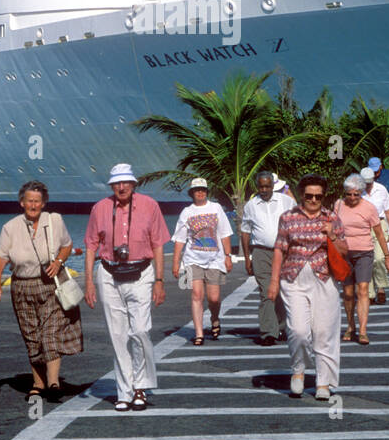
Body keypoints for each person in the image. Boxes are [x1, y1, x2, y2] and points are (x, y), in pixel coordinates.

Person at [84, 163, 169, 412]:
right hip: (109, 273)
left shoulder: (150, 206)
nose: (121, 187)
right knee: (118, 335)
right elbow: (90, 245)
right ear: (112, 186)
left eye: (126, 182)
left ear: (133, 184)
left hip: (141, 272)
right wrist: (89, 281)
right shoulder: (100, 208)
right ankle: (125, 390)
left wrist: (160, 281)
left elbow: (158, 245)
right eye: (117, 183)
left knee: (140, 331)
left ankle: (141, 385)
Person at [0, 180, 83, 403]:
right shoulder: (10, 227)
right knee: (31, 336)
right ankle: (38, 383)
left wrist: (59, 261)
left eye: (37, 201)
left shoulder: (54, 221)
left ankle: (53, 383)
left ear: (43, 203)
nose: (33, 205)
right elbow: (1, 256)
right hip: (21, 285)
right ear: (22, 202)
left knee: (50, 333)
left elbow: (67, 245)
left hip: (50, 284)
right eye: (29, 201)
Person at [267, 174, 349, 401]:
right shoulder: (288, 217)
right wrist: (273, 282)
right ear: (301, 194)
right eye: (309, 196)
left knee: (324, 332)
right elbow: (279, 249)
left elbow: (344, 251)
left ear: (324, 197)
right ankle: (298, 371)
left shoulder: (332, 217)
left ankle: (324, 381)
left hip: (324, 279)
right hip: (293, 279)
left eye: (318, 196)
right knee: (299, 331)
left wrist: (332, 235)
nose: (313, 200)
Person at [171, 178, 233, 345]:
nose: (200, 192)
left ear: (207, 192)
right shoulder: (187, 212)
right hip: (193, 259)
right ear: (192, 193)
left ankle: (214, 318)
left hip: (215, 259)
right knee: (197, 295)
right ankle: (199, 333)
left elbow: (225, 233)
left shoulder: (216, 208)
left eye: (203, 189)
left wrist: (228, 256)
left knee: (214, 298)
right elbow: (179, 239)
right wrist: (176, 262)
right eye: (197, 190)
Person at [332, 174, 389, 345]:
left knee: (363, 289)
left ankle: (363, 330)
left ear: (361, 193)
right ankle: (351, 326)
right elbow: (333, 228)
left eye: (356, 194)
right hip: (344, 254)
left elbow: (379, 233)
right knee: (348, 293)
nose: (352, 198)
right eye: (349, 194)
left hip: (364, 252)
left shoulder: (369, 208)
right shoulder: (338, 205)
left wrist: (387, 256)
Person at [240, 170, 295, 346]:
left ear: (273, 186)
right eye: (261, 186)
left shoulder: (286, 201)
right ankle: (268, 333)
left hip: (284, 252)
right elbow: (245, 232)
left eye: (267, 186)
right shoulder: (251, 205)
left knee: (282, 290)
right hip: (261, 252)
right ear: (257, 187)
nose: (264, 190)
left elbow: (296, 224)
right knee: (266, 291)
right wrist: (248, 258)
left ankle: (282, 326)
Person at [360, 167, 389, 304]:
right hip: (363, 226)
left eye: (369, 182)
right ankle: (369, 293)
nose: (367, 185)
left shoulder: (381, 189)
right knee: (366, 260)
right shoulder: (357, 191)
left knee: (380, 259)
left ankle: (381, 287)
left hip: (380, 224)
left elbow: (388, 211)